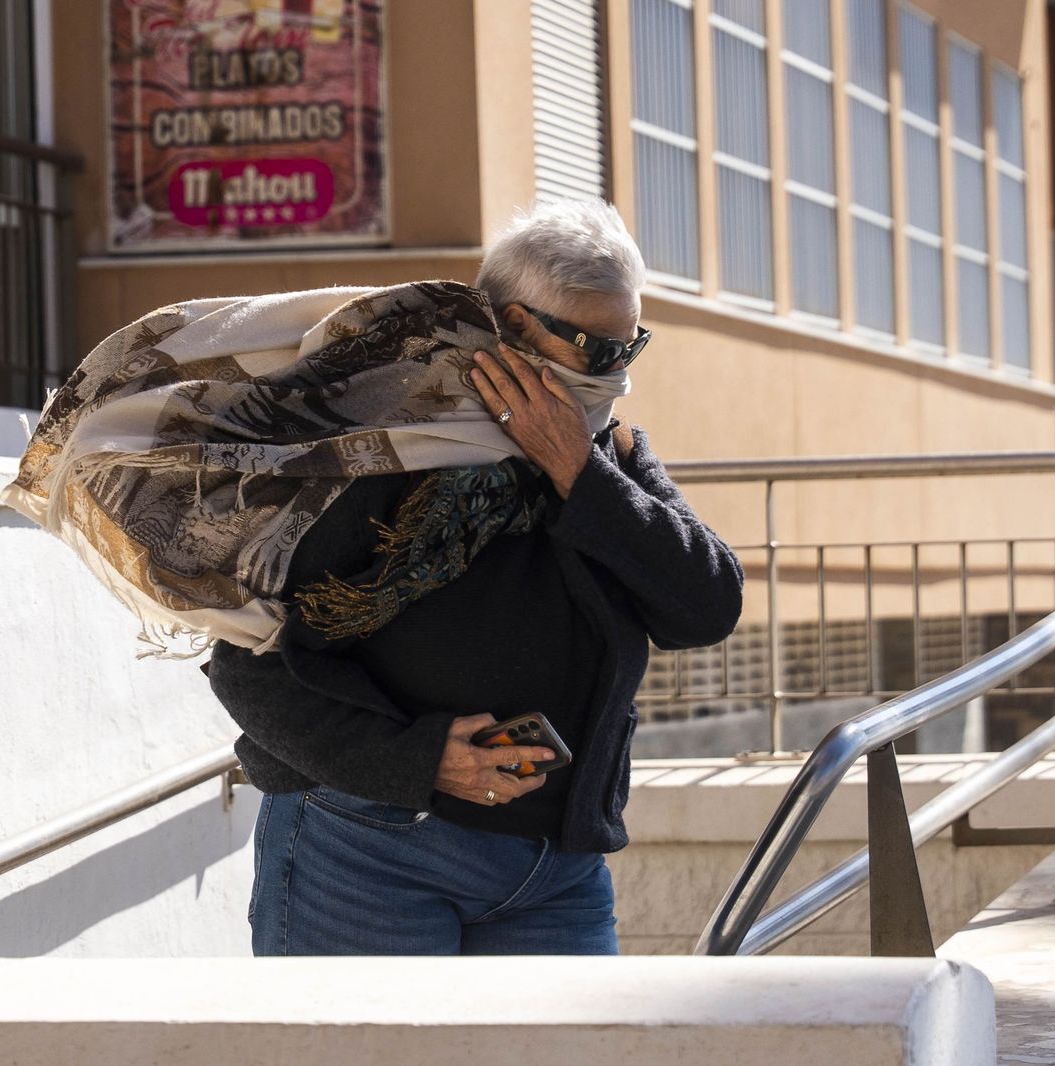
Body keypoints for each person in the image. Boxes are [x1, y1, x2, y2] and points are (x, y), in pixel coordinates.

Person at [206, 199, 743, 956]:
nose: (617, 373)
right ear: (517, 327)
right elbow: (246, 664)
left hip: (556, 867)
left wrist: (577, 472)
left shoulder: (605, 454)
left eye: (633, 346)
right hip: (371, 846)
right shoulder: (386, 443)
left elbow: (706, 607)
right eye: (599, 348)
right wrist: (419, 763)